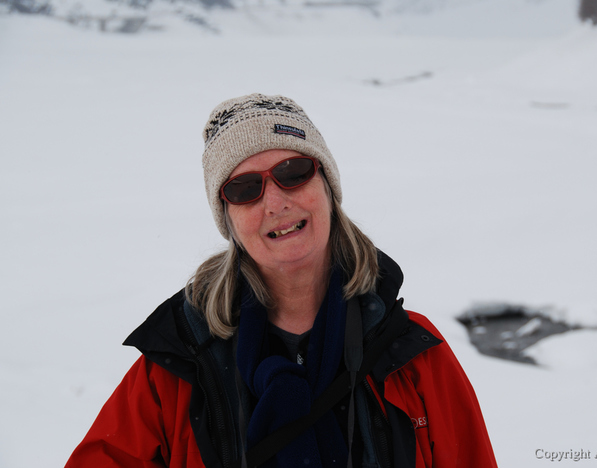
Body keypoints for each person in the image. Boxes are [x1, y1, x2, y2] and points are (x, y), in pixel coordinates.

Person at [66, 93, 498, 468]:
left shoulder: (412, 356)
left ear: (327, 186)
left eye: (294, 171)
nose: (275, 202)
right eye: (244, 188)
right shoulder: (177, 369)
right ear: (230, 221)